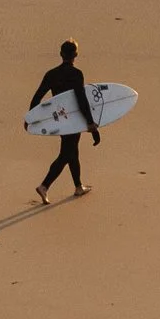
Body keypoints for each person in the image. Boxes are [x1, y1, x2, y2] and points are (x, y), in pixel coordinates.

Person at [30, 40, 102, 202]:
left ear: (61, 54)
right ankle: (44, 186)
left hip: (60, 118)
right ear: (75, 55)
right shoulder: (76, 74)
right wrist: (92, 125)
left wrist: (31, 119)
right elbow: (81, 99)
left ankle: (78, 186)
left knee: (72, 150)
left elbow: (37, 97)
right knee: (66, 153)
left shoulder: (51, 74)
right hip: (73, 118)